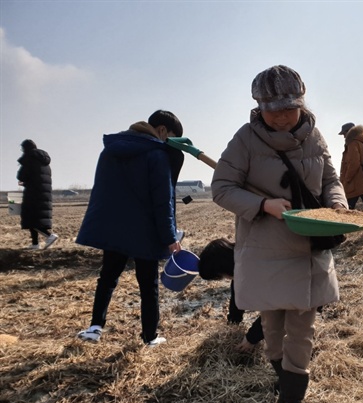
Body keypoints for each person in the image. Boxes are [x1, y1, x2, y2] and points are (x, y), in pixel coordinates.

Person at [211, 65, 347, 403]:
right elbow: (222, 187)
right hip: (265, 246)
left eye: (290, 108)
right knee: (272, 328)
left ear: (302, 103)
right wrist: (262, 206)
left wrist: (338, 204)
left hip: (310, 246)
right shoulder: (245, 140)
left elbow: (331, 178)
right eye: (274, 110)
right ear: (259, 107)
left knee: (302, 329)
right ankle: (283, 380)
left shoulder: (315, 136)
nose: (283, 117)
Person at [75, 110, 185, 347]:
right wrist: (169, 236)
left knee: (107, 277)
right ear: (163, 131)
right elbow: (162, 201)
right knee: (148, 285)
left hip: (114, 227)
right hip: (144, 232)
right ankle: (150, 337)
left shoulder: (111, 150)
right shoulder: (156, 155)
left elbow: (103, 191)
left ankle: (95, 327)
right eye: (172, 137)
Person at [198, 238, 264, 353]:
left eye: (222, 276)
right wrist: (233, 324)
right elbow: (237, 296)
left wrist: (251, 338)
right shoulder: (239, 262)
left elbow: (274, 310)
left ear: (224, 268)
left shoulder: (254, 267)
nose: (226, 278)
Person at [16, 139, 59, 250]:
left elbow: (21, 176)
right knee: (36, 218)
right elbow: (38, 177)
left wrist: (24, 181)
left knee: (31, 218)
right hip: (43, 194)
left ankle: (49, 236)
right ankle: (35, 244)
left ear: (25, 148)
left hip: (33, 193)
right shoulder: (44, 161)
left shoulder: (29, 158)